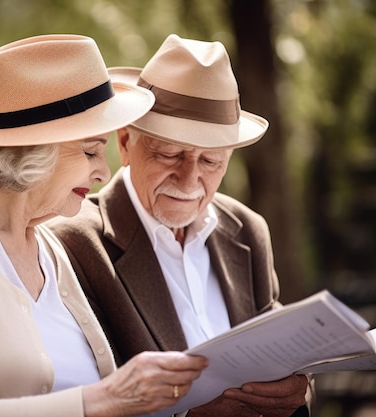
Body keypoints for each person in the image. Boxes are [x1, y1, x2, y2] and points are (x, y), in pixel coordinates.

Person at [0, 34, 209, 417]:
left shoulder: (50, 248)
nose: (104, 171)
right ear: (32, 150)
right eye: (90, 150)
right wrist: (108, 399)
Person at [48, 34, 311, 417]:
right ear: (124, 143)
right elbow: (77, 399)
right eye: (170, 154)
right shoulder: (74, 242)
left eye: (211, 162)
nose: (189, 181)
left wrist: (297, 389)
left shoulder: (247, 231)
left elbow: (285, 360)